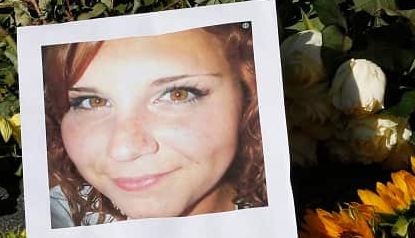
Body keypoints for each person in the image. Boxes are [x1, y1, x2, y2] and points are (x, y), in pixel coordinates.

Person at [43, 23, 267, 227]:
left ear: (249, 94)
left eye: (177, 95)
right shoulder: (56, 216)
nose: (124, 150)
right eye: (93, 102)